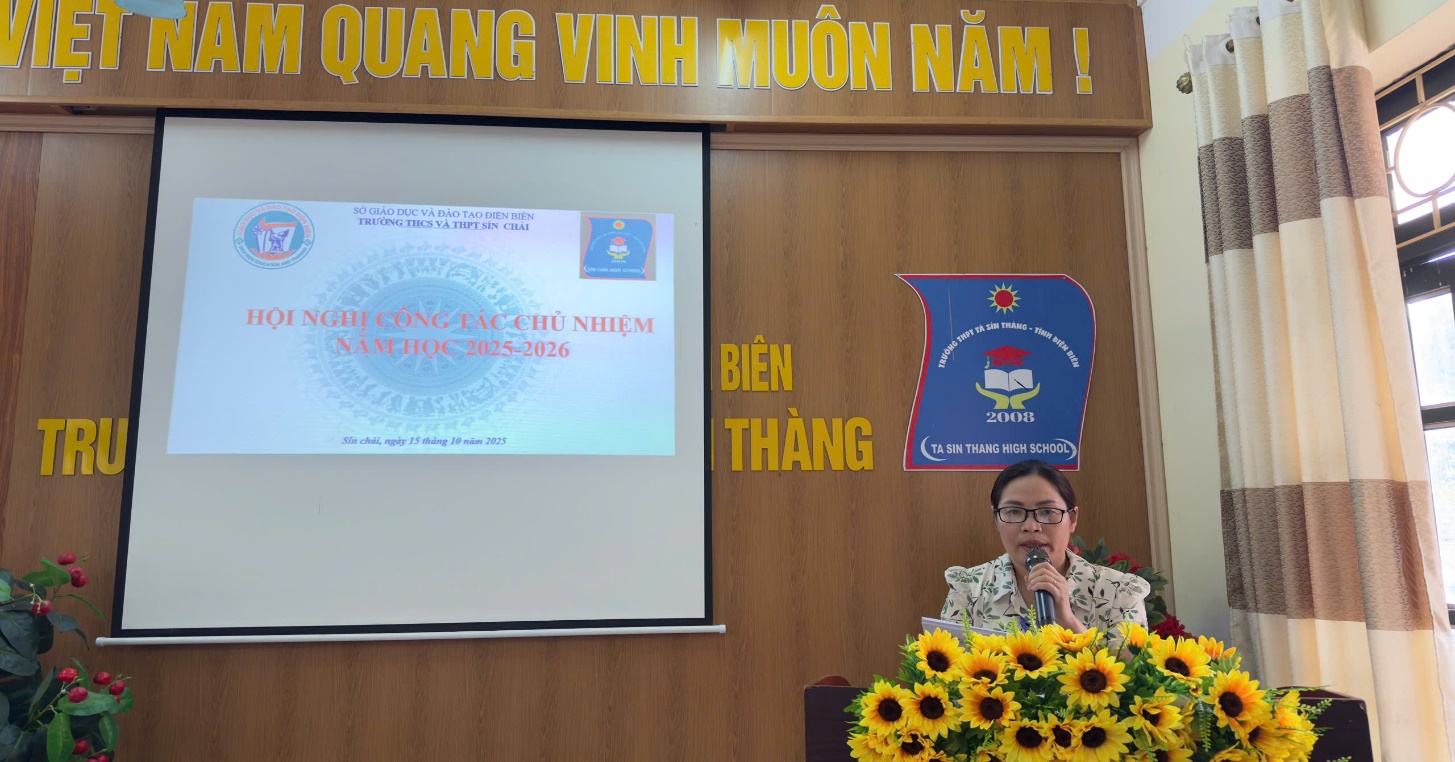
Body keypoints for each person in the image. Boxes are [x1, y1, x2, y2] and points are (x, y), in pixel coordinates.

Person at [941, 460, 1150, 634]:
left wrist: (1068, 621)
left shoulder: (1119, 592)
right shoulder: (968, 590)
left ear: (1073, 519)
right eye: (1013, 512)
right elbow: (947, 668)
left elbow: (1133, 672)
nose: (1031, 526)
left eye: (1047, 511)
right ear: (996, 519)